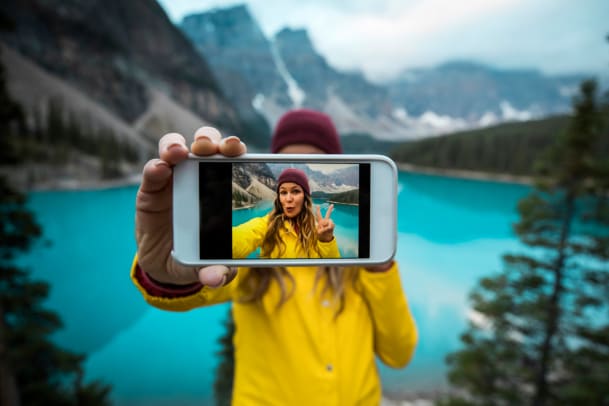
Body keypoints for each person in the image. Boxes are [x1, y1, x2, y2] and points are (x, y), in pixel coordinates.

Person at [132, 109, 418, 405]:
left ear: (306, 195)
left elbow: (399, 354)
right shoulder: (258, 251)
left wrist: (379, 270)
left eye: (298, 189)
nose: (290, 198)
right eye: (284, 189)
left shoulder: (356, 262)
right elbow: (230, 249)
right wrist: (171, 268)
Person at [233, 167, 340, 260]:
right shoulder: (267, 225)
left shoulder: (318, 229)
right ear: (279, 198)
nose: (288, 199)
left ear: (305, 197)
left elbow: (334, 270)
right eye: (283, 192)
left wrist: (326, 240)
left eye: (295, 191)